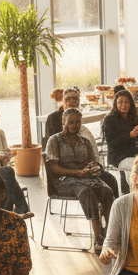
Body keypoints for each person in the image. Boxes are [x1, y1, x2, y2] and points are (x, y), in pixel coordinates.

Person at [45, 107, 116, 249]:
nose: (74, 126)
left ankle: (109, 232)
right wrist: (78, 173)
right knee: (86, 192)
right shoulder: (54, 140)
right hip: (63, 180)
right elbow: (53, 168)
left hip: (86, 177)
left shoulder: (85, 142)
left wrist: (94, 167)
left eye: (77, 122)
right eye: (70, 122)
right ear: (63, 122)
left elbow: (93, 161)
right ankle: (98, 237)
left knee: (107, 191)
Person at [102, 89, 138, 176]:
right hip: (117, 157)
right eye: (120, 102)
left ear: (131, 104)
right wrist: (130, 135)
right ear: (115, 103)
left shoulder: (135, 118)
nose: (123, 105)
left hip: (134, 154)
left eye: (126, 102)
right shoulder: (109, 119)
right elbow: (111, 143)